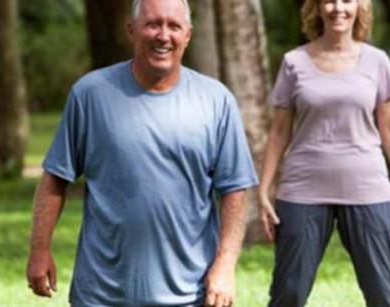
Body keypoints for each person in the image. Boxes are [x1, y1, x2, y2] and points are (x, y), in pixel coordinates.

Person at [24, 0, 257, 306]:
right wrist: (39, 250)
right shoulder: (91, 94)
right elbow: (55, 178)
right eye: (153, 24)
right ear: (131, 31)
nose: (163, 35)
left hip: (189, 294)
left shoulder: (216, 101)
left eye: (174, 26)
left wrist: (225, 266)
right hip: (102, 294)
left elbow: (235, 190)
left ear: (187, 35)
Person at [256, 0, 390, 306]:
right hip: (302, 190)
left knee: (384, 295)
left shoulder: (377, 61)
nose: (337, 8)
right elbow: (279, 131)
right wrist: (264, 190)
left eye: (346, 0)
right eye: (328, 1)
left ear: (359, 7)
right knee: (287, 295)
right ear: (316, 8)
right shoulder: (294, 61)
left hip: (368, 189)